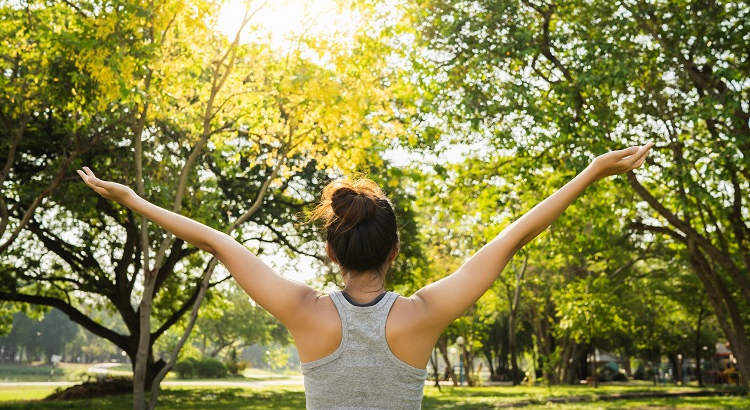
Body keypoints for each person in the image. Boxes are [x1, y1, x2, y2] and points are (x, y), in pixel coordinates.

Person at [76, 142, 653, 409]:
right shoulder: (422, 317)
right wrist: (592, 172)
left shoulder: (305, 312)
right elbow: (512, 239)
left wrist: (131, 198)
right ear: (395, 250)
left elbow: (215, 241)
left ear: (331, 251)